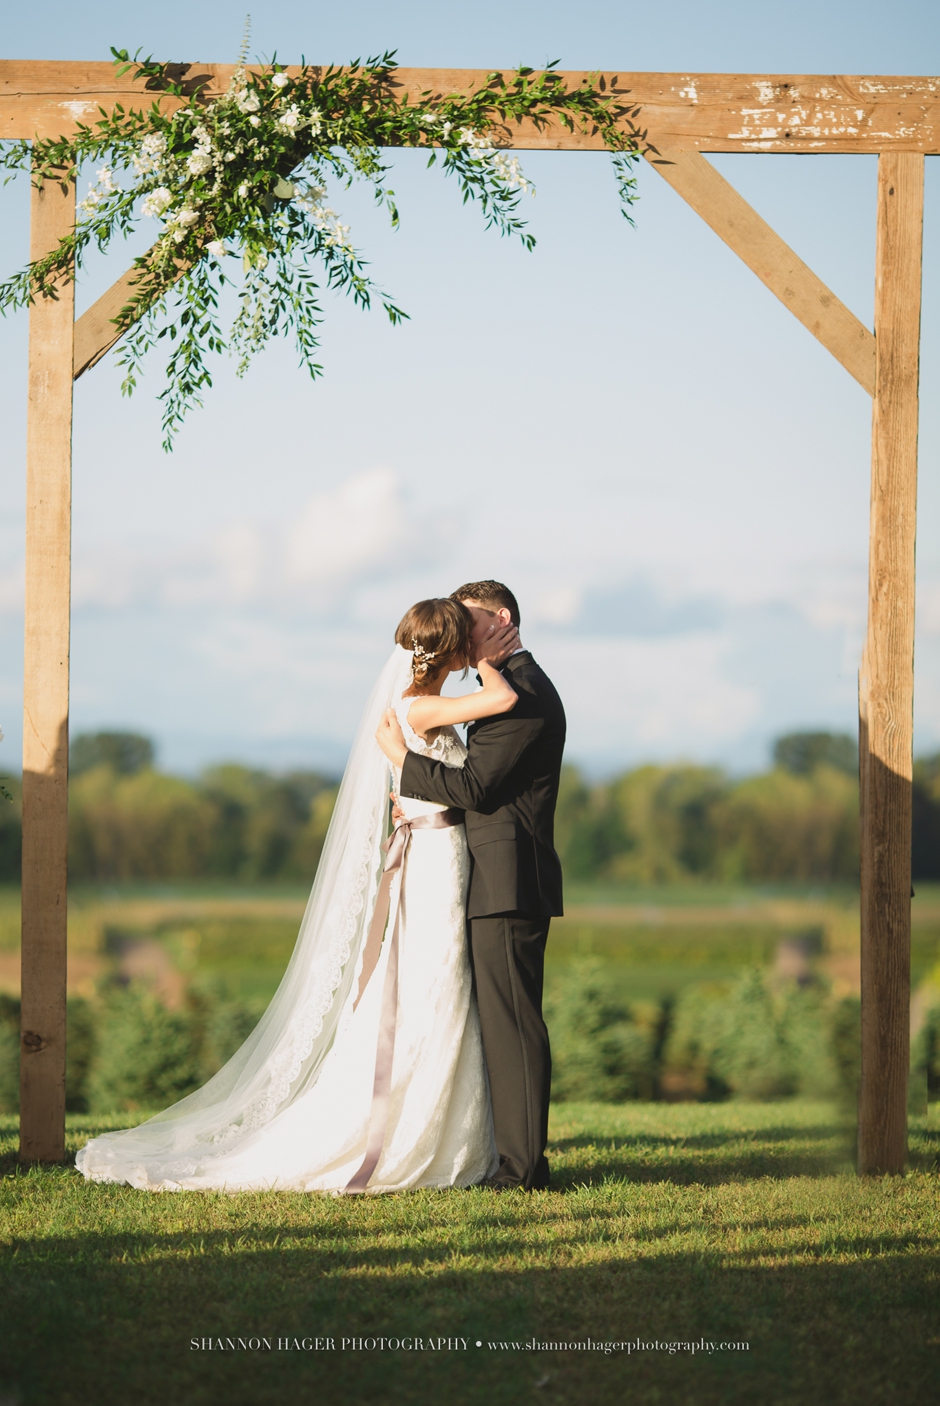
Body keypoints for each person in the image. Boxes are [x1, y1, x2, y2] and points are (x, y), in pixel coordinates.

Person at [76, 598, 520, 1193]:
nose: (474, 645)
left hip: (435, 853)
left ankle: (439, 1130)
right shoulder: (426, 704)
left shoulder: (408, 704)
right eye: (466, 638)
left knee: (431, 980)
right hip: (436, 860)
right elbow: (504, 700)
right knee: (434, 980)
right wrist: (493, 657)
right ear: (449, 650)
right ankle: (409, 1135)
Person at [376, 580, 566, 1191]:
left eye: (470, 618)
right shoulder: (502, 689)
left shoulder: (525, 695)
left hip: (508, 880)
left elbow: (476, 788)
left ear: (502, 618)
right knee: (499, 1022)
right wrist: (417, 803)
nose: (460, 630)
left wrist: (405, 766)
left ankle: (522, 1169)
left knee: (513, 1025)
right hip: (489, 876)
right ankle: (507, 1156)